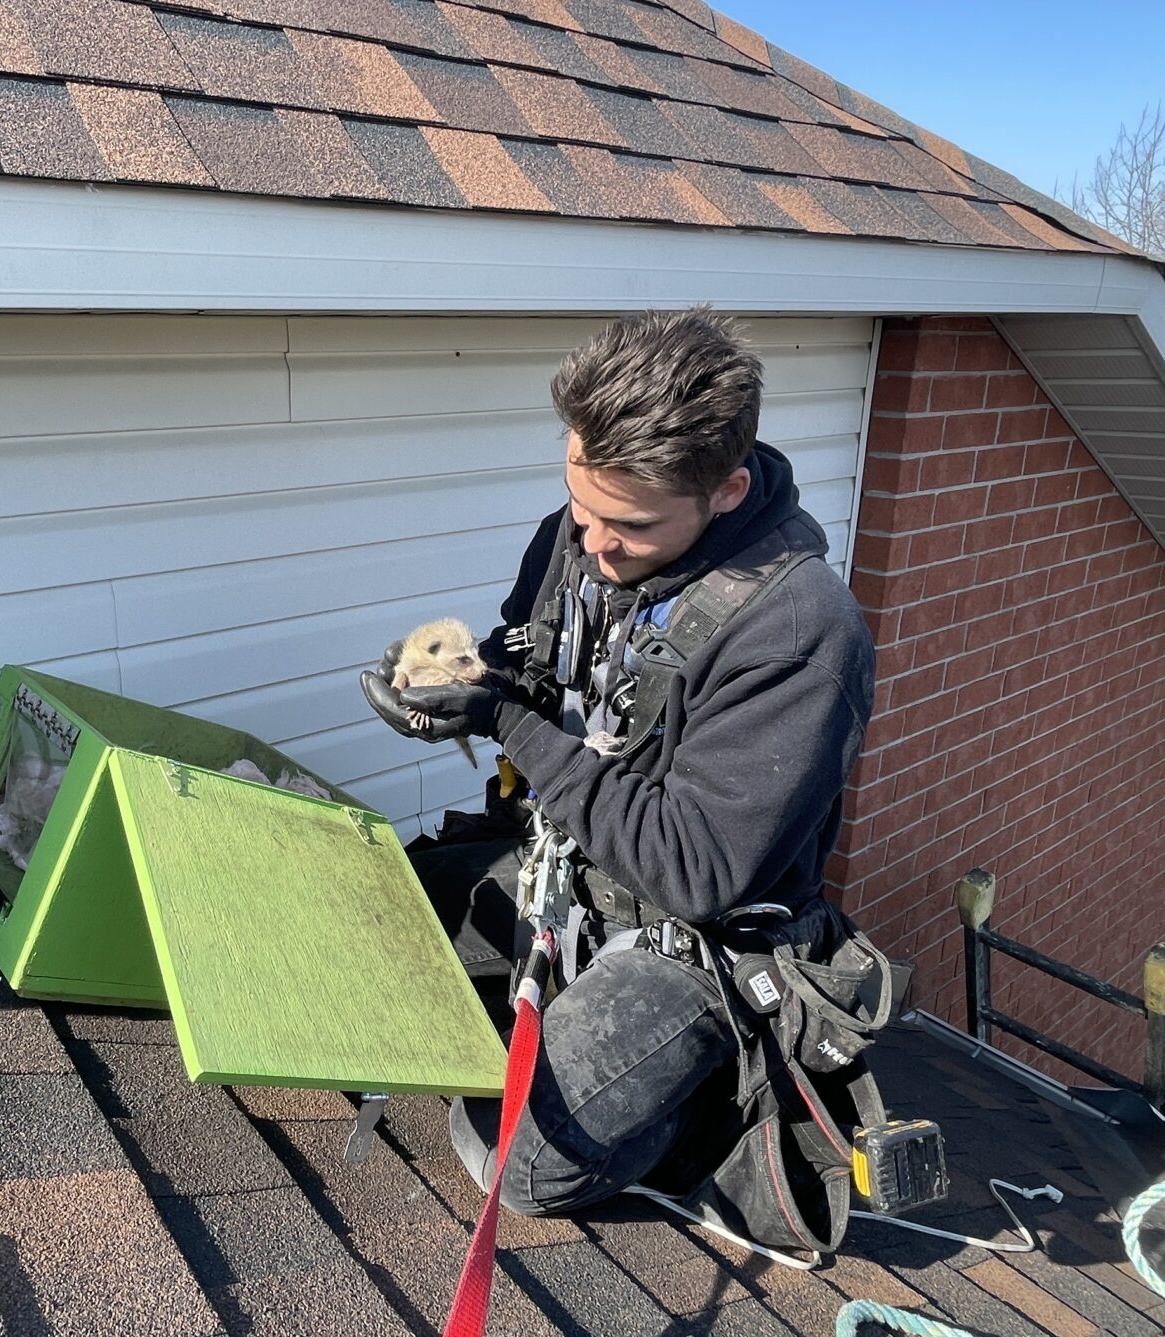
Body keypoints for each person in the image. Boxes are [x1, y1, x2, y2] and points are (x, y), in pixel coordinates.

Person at [360, 306, 878, 1224]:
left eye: (628, 527)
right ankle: (542, 1006)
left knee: (515, 1162)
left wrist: (510, 725)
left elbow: (696, 868)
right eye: (579, 502)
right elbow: (527, 667)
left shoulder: (800, 635)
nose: (592, 546)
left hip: (695, 938)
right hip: (564, 868)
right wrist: (448, 694)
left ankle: (704, 1102)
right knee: (366, 937)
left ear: (725, 490)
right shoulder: (582, 531)